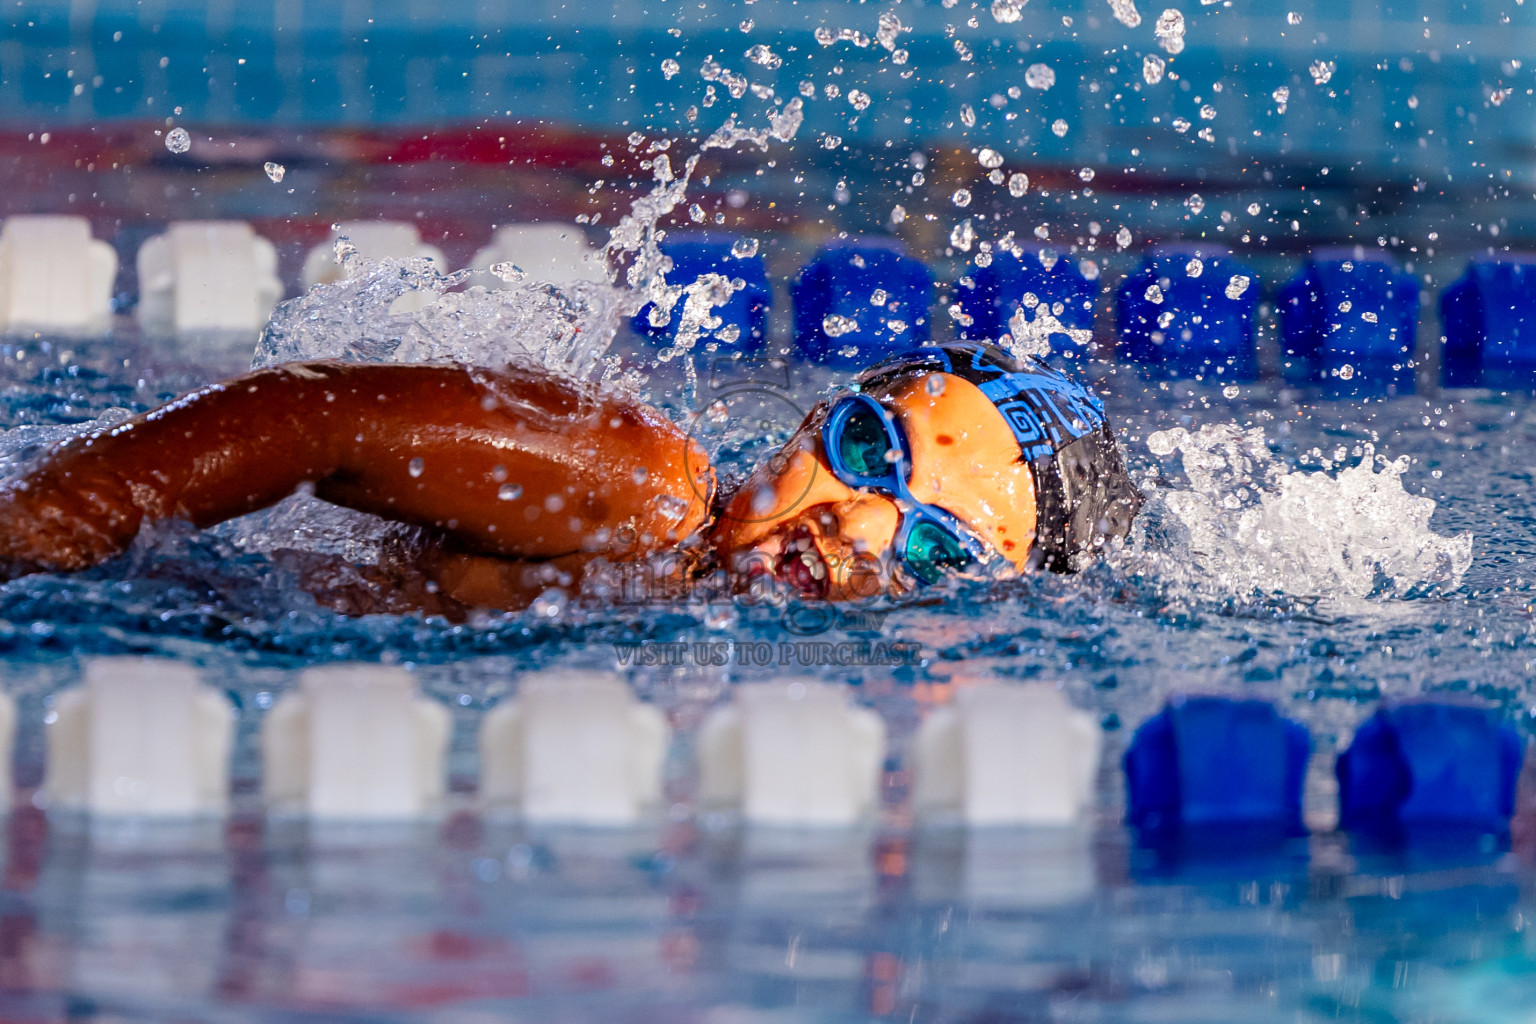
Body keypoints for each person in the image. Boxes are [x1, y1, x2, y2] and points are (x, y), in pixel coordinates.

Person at [0, 341, 1140, 614]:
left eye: (936, 544)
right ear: (808, 419)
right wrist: (42, 534)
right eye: (865, 449)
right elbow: (317, 414)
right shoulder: (641, 491)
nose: (858, 518)